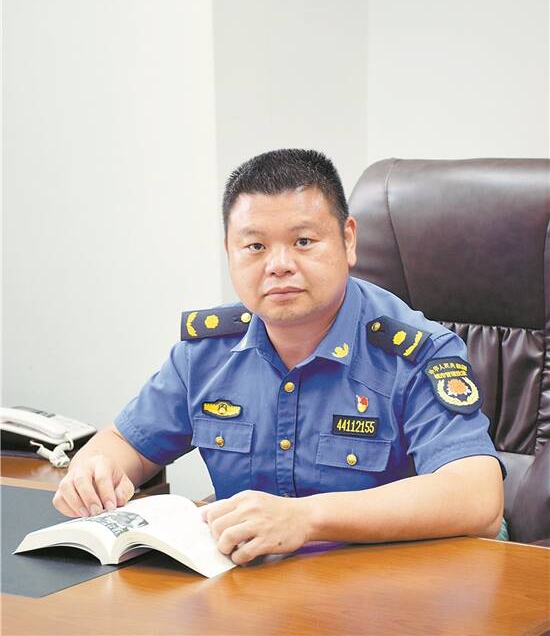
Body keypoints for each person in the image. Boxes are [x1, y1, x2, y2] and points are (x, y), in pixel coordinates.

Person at [53, 149, 505, 565]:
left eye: (303, 241)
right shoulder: (207, 353)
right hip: (256, 589)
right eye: (255, 246)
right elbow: (127, 442)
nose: (279, 264)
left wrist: (306, 519)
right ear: (229, 252)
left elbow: (478, 499)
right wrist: (96, 467)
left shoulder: (414, 353)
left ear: (348, 240)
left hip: (395, 586)